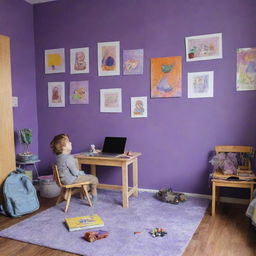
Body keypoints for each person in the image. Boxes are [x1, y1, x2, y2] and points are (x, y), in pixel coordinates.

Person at [50, 133, 98, 202]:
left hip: (63, 180)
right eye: (69, 142)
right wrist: (82, 173)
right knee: (94, 178)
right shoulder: (69, 158)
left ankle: (86, 191)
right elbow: (75, 173)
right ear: (63, 147)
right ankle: (94, 197)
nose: (71, 143)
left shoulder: (58, 157)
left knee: (85, 176)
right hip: (71, 180)